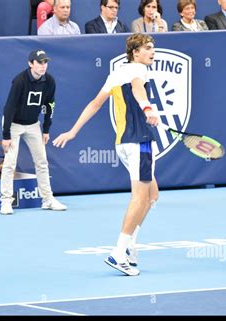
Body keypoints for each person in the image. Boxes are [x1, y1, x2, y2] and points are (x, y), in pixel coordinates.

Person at [52, 33, 160, 276]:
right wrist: (147, 108)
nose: (153, 52)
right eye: (148, 48)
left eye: (153, 48)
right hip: (139, 142)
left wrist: (73, 131)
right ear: (136, 52)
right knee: (141, 198)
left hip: (123, 143)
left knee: (153, 195)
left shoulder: (116, 73)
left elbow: (94, 104)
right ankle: (119, 252)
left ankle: (130, 246)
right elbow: (137, 89)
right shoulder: (138, 70)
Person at [0, 50, 67, 215]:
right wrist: (6, 135)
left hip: (33, 125)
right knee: (10, 163)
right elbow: (8, 108)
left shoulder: (50, 81)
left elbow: (50, 106)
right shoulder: (20, 81)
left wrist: (46, 129)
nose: (43, 66)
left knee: (42, 162)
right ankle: (6, 202)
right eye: (39, 62)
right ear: (31, 64)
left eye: (45, 62)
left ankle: (47, 200)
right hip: (13, 124)